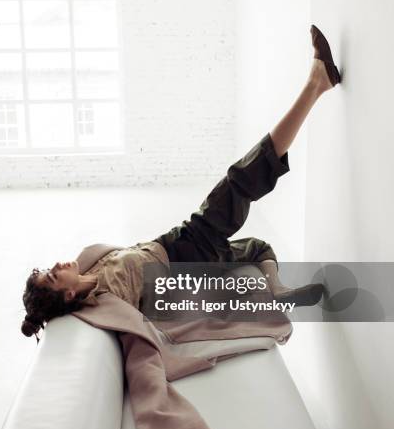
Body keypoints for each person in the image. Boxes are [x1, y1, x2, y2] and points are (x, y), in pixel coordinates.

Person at [21, 25, 341, 343]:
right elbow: (137, 327)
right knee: (241, 181)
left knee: (256, 247)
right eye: (53, 275)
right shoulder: (104, 302)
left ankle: (276, 292)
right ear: (67, 295)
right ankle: (316, 82)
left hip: (175, 246)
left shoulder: (89, 271)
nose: (57, 265)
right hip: (183, 256)